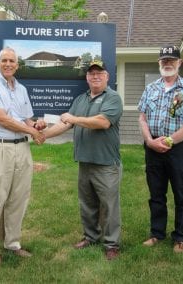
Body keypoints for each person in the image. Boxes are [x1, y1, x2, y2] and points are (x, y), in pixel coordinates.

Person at [43, 60, 123, 261]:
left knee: (109, 206)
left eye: (99, 73)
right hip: (85, 162)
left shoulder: (112, 98)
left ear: (107, 76)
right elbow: (64, 124)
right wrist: (43, 135)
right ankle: (91, 237)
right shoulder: (81, 99)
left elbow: (103, 122)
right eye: (91, 73)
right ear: (87, 77)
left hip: (106, 163)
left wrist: (73, 118)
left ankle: (112, 244)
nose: (95, 76)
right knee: (87, 204)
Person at [0, 47, 46, 265]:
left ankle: (12, 243)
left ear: (17, 65)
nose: (8, 64)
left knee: (19, 197)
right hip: (0, 148)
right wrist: (32, 131)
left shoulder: (22, 89)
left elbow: (27, 120)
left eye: (12, 61)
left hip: (22, 148)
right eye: (4, 60)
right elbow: (3, 119)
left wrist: (37, 125)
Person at [138, 45, 183, 253]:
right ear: (159, 63)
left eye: (171, 60)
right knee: (156, 194)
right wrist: (150, 141)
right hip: (153, 148)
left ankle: (180, 237)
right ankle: (157, 233)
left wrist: (169, 141)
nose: (167, 63)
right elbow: (141, 117)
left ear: (179, 63)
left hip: (178, 150)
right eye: (164, 60)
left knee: (181, 195)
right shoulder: (151, 88)